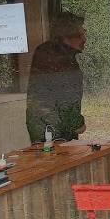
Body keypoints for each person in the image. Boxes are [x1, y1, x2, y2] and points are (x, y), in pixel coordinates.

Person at [25, 11, 87, 143]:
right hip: (54, 131)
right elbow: (66, 101)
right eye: (81, 34)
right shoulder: (60, 59)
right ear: (68, 35)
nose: (84, 39)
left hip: (46, 128)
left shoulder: (49, 53)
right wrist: (78, 124)